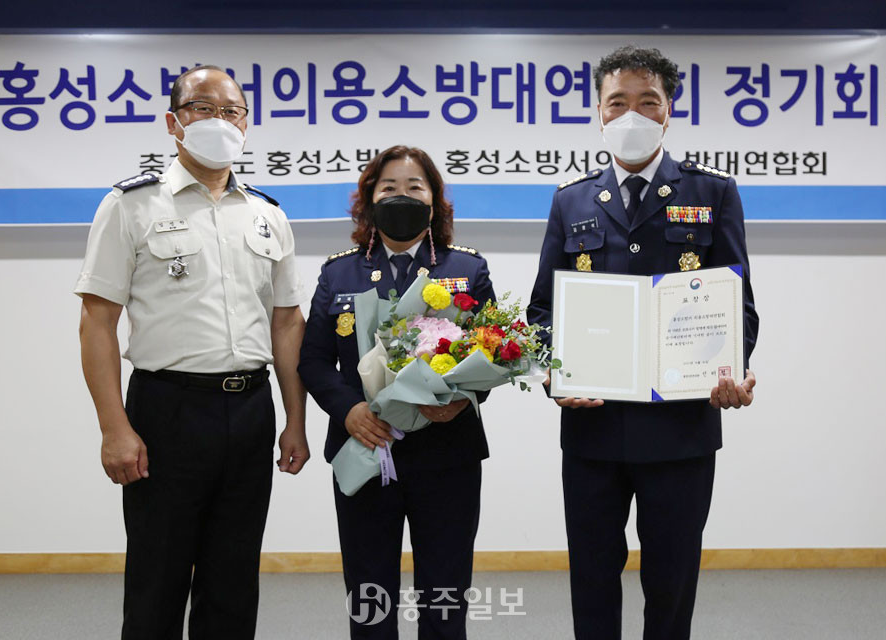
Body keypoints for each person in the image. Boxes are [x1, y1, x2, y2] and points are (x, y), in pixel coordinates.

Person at [527, 46, 759, 640]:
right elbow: (543, 310)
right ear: (599, 113)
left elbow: (738, 304)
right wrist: (553, 373)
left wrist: (733, 369)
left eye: (647, 101)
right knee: (591, 578)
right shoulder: (571, 199)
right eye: (617, 102)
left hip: (681, 429)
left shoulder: (712, 192)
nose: (632, 114)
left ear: (669, 110)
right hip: (593, 427)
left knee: (672, 581)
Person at [75, 65, 309, 640]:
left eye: (232, 111)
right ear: (173, 122)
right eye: (203, 108)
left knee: (233, 581)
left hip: (249, 410)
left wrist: (295, 420)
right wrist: (114, 428)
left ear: (246, 125)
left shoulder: (268, 214)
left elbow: (286, 322)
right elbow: (97, 323)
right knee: (157, 578)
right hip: (167, 411)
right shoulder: (130, 205)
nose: (219, 120)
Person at [298, 145, 496, 639]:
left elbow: (494, 353)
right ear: (369, 199)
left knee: (445, 592)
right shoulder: (339, 273)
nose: (401, 197)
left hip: (447, 453)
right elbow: (314, 361)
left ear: (433, 200)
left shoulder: (467, 269)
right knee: (370, 594)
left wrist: (461, 399)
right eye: (389, 188)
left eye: (414, 188)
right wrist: (349, 411)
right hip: (365, 448)